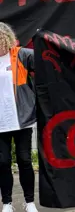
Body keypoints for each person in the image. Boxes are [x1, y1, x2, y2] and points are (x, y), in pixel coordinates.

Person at [0, 22, 38, 212]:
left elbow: (47, 63)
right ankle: (7, 203)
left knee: (24, 160)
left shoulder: (21, 55)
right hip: (0, 123)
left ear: (6, 38)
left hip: (21, 119)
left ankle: (29, 202)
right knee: (3, 162)